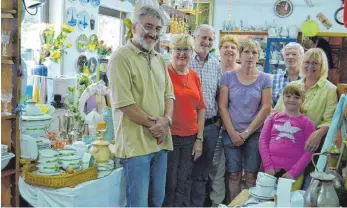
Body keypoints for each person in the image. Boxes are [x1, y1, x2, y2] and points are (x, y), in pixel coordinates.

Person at [107, 6, 175, 207]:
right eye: (148, 26)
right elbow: (125, 104)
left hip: (161, 143)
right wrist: (156, 126)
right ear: (135, 26)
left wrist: (167, 121)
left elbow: (169, 95)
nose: (153, 33)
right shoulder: (120, 58)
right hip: (135, 147)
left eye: (157, 28)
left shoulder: (159, 59)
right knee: (138, 204)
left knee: (158, 201)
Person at [274, 48, 338, 189]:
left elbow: (329, 120)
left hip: (311, 149)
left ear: (322, 67)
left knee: (307, 189)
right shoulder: (292, 86)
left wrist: (318, 133)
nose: (310, 66)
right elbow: (276, 113)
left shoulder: (330, 90)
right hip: (285, 147)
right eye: (307, 62)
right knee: (282, 188)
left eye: (315, 63)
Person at [219, 40, 272, 202]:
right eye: (246, 52)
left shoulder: (265, 78)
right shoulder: (227, 77)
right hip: (231, 133)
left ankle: (250, 204)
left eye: (254, 52)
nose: (250, 56)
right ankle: (234, 204)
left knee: (251, 175)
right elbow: (222, 106)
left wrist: (247, 132)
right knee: (233, 174)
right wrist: (233, 133)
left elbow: (266, 108)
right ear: (240, 55)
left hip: (254, 134)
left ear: (259, 56)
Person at [163, 34, 206, 207]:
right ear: (171, 51)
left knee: (183, 181)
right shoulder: (164, 73)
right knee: (169, 181)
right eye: (178, 49)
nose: (182, 54)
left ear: (192, 52)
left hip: (190, 138)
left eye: (186, 49)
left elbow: (201, 108)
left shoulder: (194, 76)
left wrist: (200, 139)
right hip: (169, 137)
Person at [260, 84, 315, 190]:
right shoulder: (272, 118)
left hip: (293, 175)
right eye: (288, 96)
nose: (292, 100)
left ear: (302, 100)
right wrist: (268, 166)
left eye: (296, 97)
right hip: (270, 171)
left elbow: (309, 151)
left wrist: (293, 172)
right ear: (283, 97)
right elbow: (262, 141)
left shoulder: (307, 123)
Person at [189, 24, 222, 207]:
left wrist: (217, 122)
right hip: (186, 125)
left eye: (210, 39)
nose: (207, 42)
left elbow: (219, 94)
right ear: (194, 37)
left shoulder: (216, 64)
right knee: (184, 170)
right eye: (204, 38)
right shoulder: (185, 59)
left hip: (209, 127)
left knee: (202, 174)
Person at [209, 35, 241, 206]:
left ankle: (225, 202)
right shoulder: (213, 68)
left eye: (233, 47)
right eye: (225, 46)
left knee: (231, 169)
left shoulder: (242, 72)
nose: (229, 50)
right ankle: (214, 201)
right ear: (219, 51)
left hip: (236, 129)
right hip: (213, 126)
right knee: (214, 166)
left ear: (238, 53)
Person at [272, 42, 304, 107]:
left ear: (302, 57)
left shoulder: (307, 79)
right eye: (287, 54)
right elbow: (271, 104)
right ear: (283, 57)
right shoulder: (276, 78)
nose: (290, 57)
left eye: (294, 54)